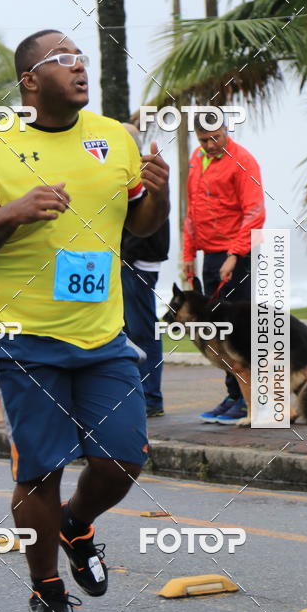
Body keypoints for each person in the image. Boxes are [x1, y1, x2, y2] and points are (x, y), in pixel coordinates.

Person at [0, 29, 169, 612]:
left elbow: (141, 226)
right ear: (30, 81)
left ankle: (74, 524)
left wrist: (161, 197)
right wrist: (14, 211)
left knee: (123, 457)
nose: (78, 67)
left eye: (82, 59)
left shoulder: (113, 138)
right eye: (62, 59)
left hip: (103, 337)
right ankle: (46, 590)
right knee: (39, 470)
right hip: (25, 341)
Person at [183, 113, 265, 425]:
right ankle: (233, 395)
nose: (210, 144)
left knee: (238, 330)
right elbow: (191, 208)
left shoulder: (243, 160)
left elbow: (254, 211)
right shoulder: (196, 158)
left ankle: (250, 400)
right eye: (203, 139)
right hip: (209, 254)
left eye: (215, 138)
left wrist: (234, 254)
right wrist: (188, 252)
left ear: (225, 131)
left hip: (237, 255)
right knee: (215, 329)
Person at [120, 123, 169, 417]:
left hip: (137, 262)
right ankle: (141, 395)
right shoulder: (130, 168)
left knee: (142, 331)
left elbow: (148, 217)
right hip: (134, 260)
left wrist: (125, 254)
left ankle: (151, 398)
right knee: (131, 330)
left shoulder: (141, 169)